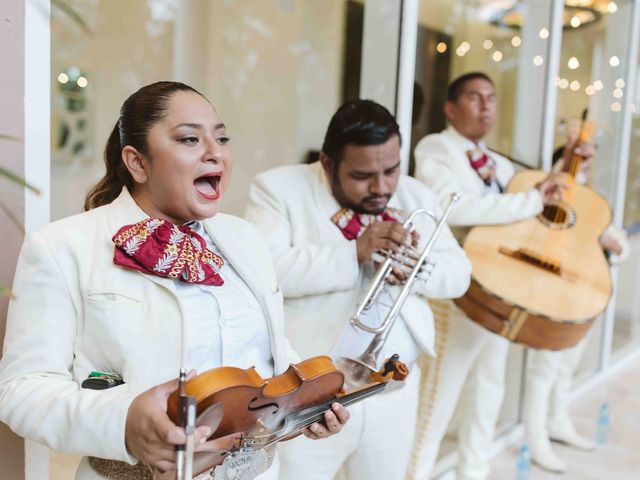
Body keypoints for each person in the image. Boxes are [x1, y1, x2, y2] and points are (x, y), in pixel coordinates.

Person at [0, 81, 348, 480]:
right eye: (189, 139)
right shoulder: (60, 247)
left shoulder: (246, 239)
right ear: (137, 162)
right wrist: (124, 423)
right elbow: (22, 390)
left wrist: (304, 409)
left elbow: (271, 356)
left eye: (221, 138)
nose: (214, 152)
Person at [244, 99, 471, 480]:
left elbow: (460, 273)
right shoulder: (277, 189)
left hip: (393, 391)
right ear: (328, 164)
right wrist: (354, 253)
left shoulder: (415, 196)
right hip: (310, 396)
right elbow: (264, 272)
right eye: (364, 175)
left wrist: (413, 269)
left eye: (392, 170)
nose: (382, 187)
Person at [408, 72, 569, 480]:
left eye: (491, 99)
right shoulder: (436, 147)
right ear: (450, 108)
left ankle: (473, 472)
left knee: (488, 391)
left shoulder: (499, 163)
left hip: (500, 292)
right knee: (436, 402)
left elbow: (522, 212)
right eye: (475, 98)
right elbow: (452, 206)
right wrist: (530, 201)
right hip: (459, 295)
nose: (486, 107)